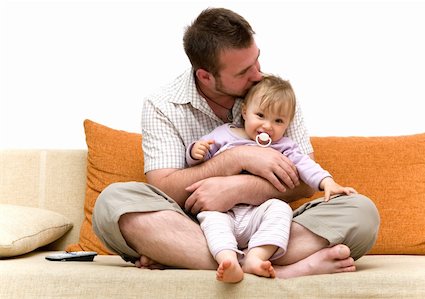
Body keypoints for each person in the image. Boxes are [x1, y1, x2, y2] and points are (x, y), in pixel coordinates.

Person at [92, 7, 380, 278]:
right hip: (196, 224)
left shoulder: (274, 94)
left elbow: (304, 181)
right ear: (205, 75)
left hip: (267, 224)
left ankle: (194, 258)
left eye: (256, 60)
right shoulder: (162, 105)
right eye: (243, 72)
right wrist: (235, 159)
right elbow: (164, 187)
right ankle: (277, 268)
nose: (257, 74)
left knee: (361, 213)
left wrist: (238, 188)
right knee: (112, 204)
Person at [188, 74, 358, 282]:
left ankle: (256, 257)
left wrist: (327, 182)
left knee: (280, 209)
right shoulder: (225, 134)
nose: (268, 126)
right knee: (212, 219)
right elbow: (200, 160)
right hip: (223, 211)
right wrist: (195, 151)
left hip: (258, 214)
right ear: (244, 112)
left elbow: (305, 165)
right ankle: (228, 260)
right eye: (260, 115)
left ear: (287, 124)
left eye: (278, 121)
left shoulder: (284, 146)